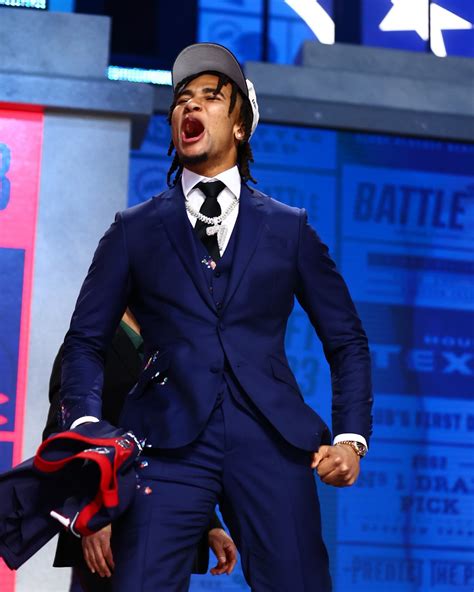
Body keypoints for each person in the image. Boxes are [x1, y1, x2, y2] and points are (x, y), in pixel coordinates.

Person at [60, 42, 373, 591]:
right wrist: (86, 425)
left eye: (210, 96)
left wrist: (351, 437)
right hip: (163, 443)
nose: (190, 106)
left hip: (271, 439)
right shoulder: (134, 229)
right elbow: (85, 342)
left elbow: (346, 340)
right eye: (182, 98)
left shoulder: (289, 228)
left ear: (241, 126)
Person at [45, 310, 237, 591]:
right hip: (108, 539)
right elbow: (63, 442)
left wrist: (211, 524)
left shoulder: (175, 347)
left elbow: (180, 446)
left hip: (170, 534)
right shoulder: (86, 348)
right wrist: (92, 514)